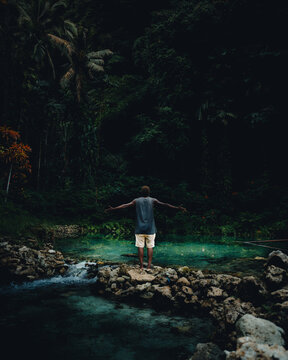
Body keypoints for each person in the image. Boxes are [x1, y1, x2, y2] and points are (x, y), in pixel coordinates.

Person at [105, 185, 186, 271]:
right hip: (150, 229)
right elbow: (165, 205)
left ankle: (141, 267)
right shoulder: (153, 200)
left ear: (141, 192)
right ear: (149, 192)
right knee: (150, 247)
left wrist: (113, 209)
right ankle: (148, 266)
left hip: (139, 228)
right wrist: (177, 208)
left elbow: (125, 205)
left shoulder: (136, 200)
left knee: (140, 247)